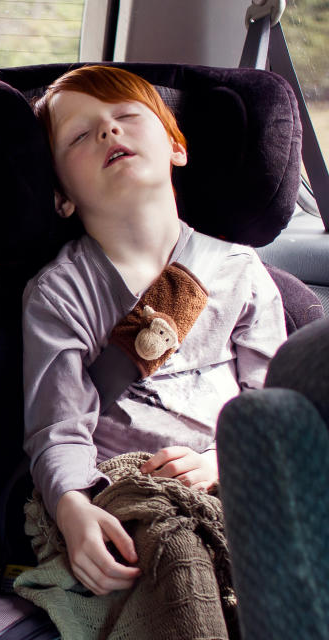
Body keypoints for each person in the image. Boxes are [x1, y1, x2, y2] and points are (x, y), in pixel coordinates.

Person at [21, 65, 286, 597]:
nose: (108, 131)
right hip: (129, 490)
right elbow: (59, 429)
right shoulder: (61, 293)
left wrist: (219, 463)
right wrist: (73, 508)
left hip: (239, 476)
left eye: (125, 116)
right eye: (79, 134)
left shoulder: (238, 270)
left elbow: (274, 406)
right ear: (62, 196)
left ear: (176, 148)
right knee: (173, 552)